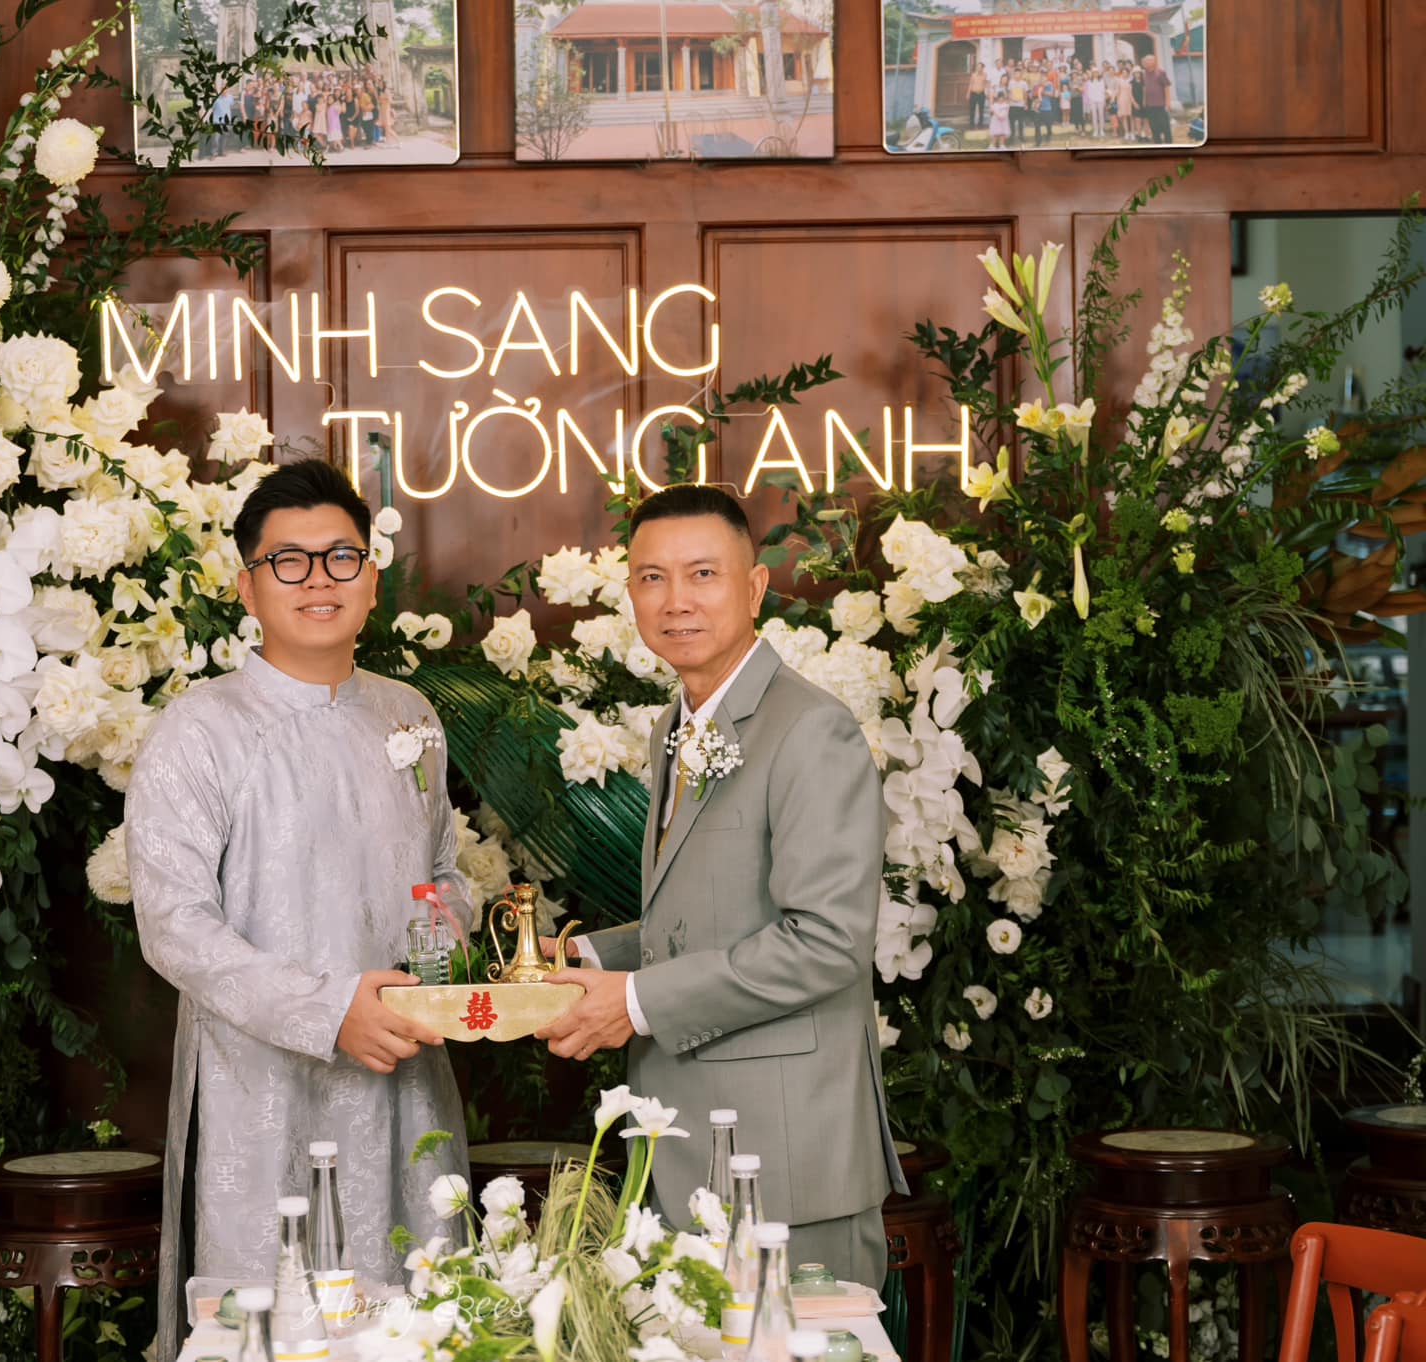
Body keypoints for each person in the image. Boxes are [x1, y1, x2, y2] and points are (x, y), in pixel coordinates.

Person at [127, 460, 473, 1350]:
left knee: (419, 1322)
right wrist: (329, 1009)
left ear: (372, 578)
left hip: (404, 1071)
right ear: (248, 587)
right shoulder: (200, 729)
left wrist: (439, 960)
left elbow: (445, 872)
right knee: (274, 1330)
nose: (319, 579)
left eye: (341, 557)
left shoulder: (410, 716)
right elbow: (173, 927)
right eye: (289, 561)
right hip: (260, 1090)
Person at [535, 483, 906, 1288]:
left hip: (787, 1164)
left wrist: (635, 1003)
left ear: (755, 586)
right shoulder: (678, 725)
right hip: (692, 1153)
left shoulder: (811, 730)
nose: (676, 600)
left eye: (703, 574)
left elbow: (826, 943)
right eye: (652, 578)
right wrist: (579, 960)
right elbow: (706, 916)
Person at [1140, 53, 1173, 143]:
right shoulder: (1144, 74)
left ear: (1154, 62)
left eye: (1149, 60)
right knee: (1154, 127)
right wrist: (1144, 101)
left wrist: (1168, 103)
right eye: (1146, 61)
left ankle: (1169, 145)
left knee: (1165, 127)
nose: (1147, 62)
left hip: (1161, 105)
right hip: (1150, 106)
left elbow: (1167, 87)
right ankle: (1158, 143)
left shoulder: (1160, 72)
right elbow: (1145, 88)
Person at [967, 64, 988, 131]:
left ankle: (980, 124)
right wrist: (968, 93)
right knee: (972, 109)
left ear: (982, 68)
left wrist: (987, 92)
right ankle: (971, 124)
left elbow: (986, 84)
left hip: (981, 93)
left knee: (981, 109)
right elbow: (970, 84)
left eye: (980, 67)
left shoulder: (985, 75)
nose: (979, 68)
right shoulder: (973, 75)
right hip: (973, 93)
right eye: (977, 67)